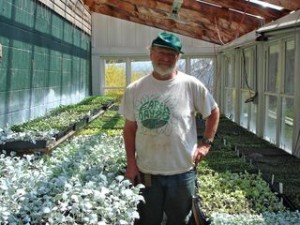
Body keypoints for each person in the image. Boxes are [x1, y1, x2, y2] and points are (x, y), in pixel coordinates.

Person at [119, 32, 220, 225]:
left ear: (178, 57)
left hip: (182, 172)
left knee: (180, 220)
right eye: (161, 52)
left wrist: (206, 144)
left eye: (171, 54)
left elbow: (213, 112)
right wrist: (131, 164)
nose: (165, 58)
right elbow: (129, 129)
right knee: (148, 220)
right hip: (147, 172)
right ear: (151, 54)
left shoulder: (191, 85)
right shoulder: (135, 89)